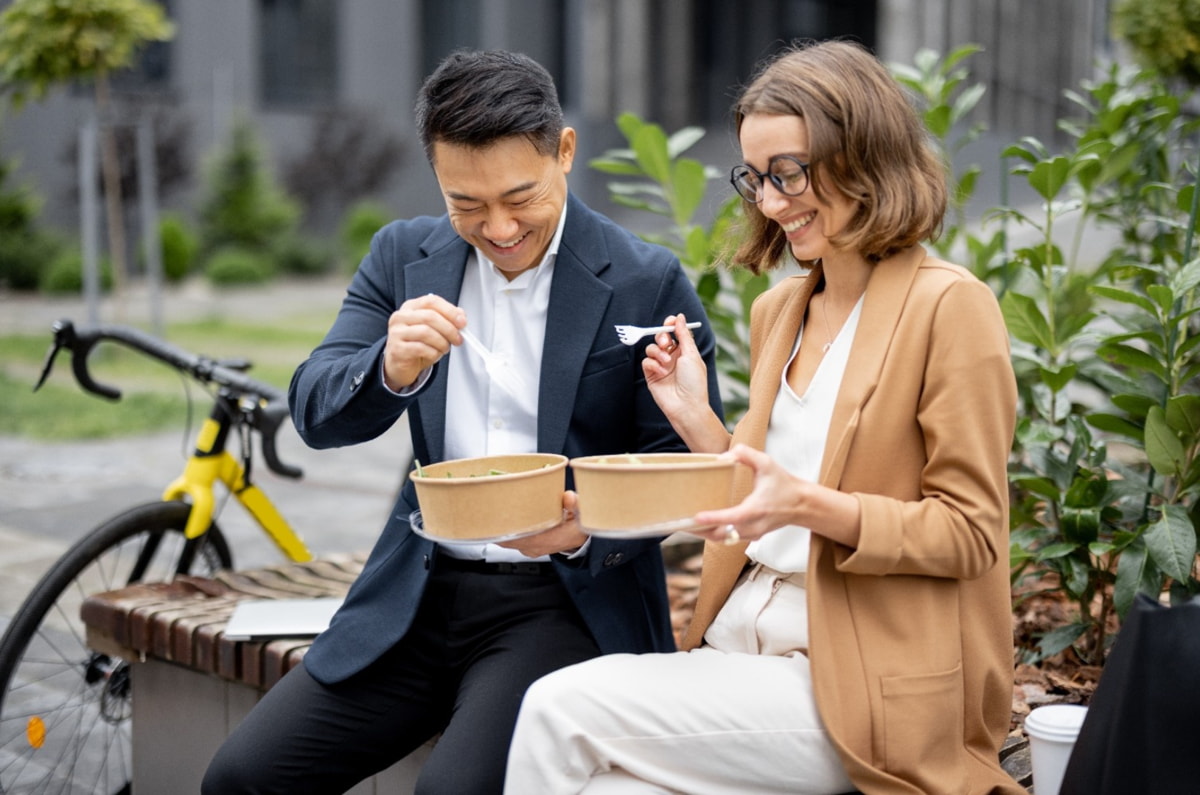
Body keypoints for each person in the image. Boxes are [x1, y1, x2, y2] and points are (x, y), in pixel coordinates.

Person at [504, 38, 1023, 795]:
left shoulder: (951, 307)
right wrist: (673, 444)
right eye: (757, 178)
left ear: (864, 154)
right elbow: (759, 498)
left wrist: (811, 506)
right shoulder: (782, 308)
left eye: (791, 172)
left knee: (557, 705)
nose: (773, 202)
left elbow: (970, 532)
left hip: (857, 681)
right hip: (741, 650)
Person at [202, 49, 722, 795]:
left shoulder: (646, 277)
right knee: (241, 777)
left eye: (520, 196)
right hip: (414, 595)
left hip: (563, 605)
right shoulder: (403, 256)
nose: (500, 227)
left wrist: (590, 524)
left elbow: (688, 462)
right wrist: (389, 365)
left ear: (564, 152)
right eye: (466, 204)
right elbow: (316, 409)